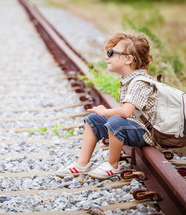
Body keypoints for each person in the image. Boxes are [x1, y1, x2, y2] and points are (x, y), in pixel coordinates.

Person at [56, 31, 157, 179]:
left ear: (128, 59)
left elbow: (125, 113)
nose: (106, 57)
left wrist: (105, 112)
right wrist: (101, 114)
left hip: (146, 133)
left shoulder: (140, 82)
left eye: (111, 53)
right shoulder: (129, 79)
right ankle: (82, 164)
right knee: (93, 119)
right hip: (134, 127)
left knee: (116, 121)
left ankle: (112, 165)